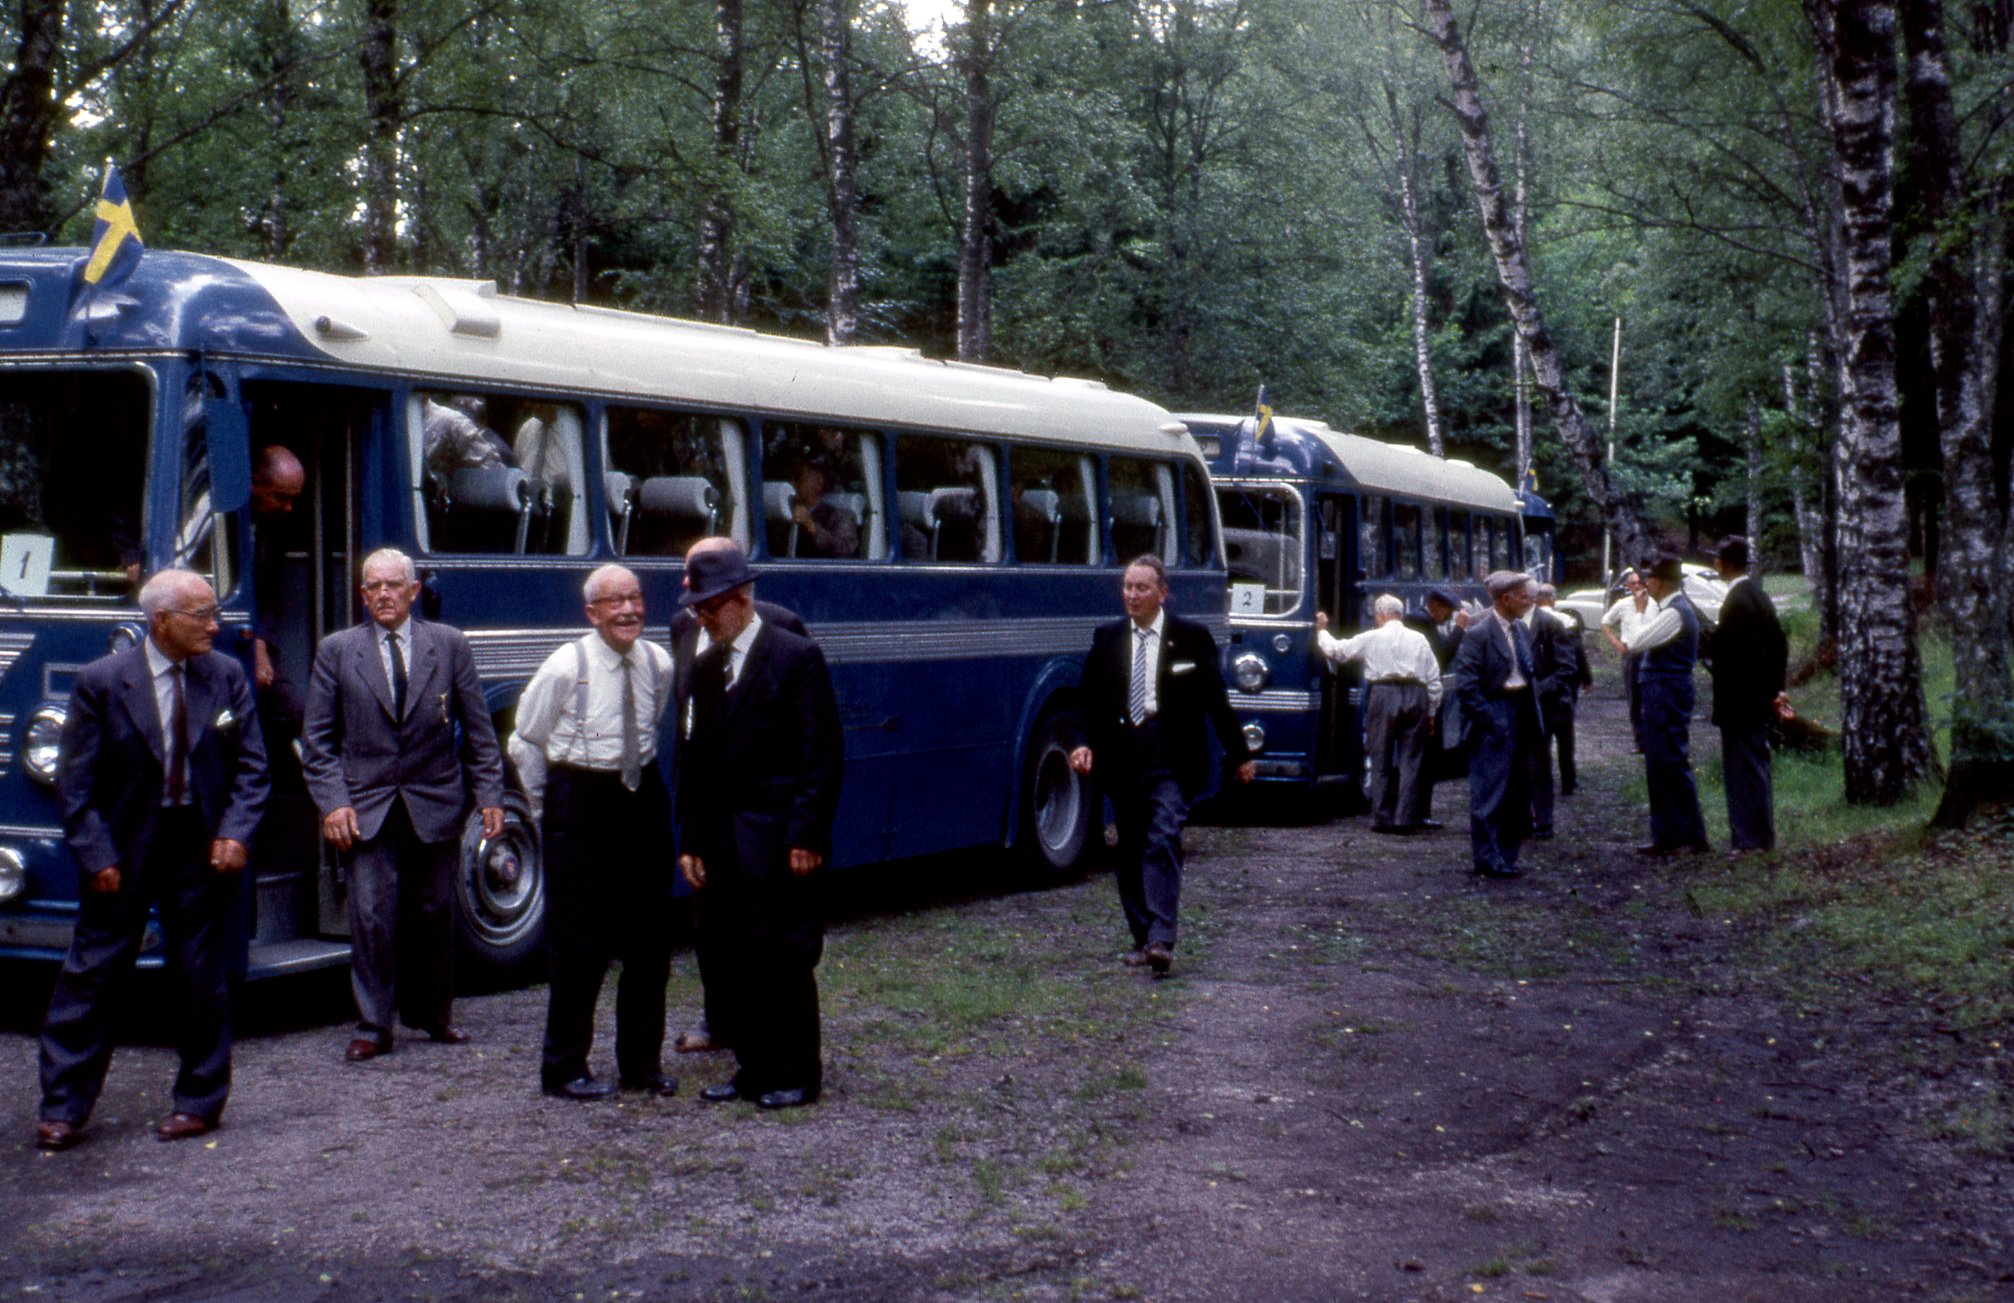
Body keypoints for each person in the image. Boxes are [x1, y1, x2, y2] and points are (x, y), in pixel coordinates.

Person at [34, 570, 269, 1150]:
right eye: (202, 615)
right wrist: (96, 854)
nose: (216, 625)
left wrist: (235, 832)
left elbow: (253, 769)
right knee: (92, 975)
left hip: (199, 845)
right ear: (161, 622)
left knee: (199, 975)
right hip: (124, 845)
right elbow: (75, 784)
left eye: (215, 612)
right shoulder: (102, 682)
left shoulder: (226, 676)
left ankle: (199, 1101)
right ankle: (63, 1107)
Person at [301, 548, 506, 1062]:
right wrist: (332, 804)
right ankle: (373, 1024)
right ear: (363, 594)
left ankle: (433, 1015)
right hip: (365, 804)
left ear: (414, 592)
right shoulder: (338, 650)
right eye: (373, 587)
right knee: (371, 915)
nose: (383, 595)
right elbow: (318, 742)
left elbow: (480, 731)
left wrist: (490, 796)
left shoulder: (450, 644)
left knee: (436, 911)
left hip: (435, 797)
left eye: (393, 585)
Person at [675, 545, 844, 1109]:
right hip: (723, 842)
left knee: (785, 956)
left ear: (741, 600)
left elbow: (819, 755)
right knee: (733, 956)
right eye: (696, 608)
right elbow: (695, 763)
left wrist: (807, 834)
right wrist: (692, 840)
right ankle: (752, 1069)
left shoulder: (796, 657)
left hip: (779, 839)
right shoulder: (703, 667)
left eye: (708, 608)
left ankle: (796, 1072)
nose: (699, 618)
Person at [509, 564, 679, 1100]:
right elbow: (525, 741)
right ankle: (564, 1068)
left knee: (650, 941)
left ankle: (641, 1065)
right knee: (578, 943)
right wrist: (547, 810)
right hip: (579, 798)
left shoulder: (659, 662)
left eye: (635, 598)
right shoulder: (566, 665)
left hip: (641, 796)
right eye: (614, 602)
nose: (629, 610)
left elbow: (650, 728)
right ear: (592, 613)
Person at [1068, 556, 1256, 974]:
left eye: (1142, 588)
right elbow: (1087, 700)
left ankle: (1161, 938)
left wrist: (1240, 754)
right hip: (1123, 757)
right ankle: (1142, 936)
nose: (1132, 596)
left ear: (1162, 593)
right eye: (1128, 588)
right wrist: (1082, 743)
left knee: (1163, 835)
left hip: (1172, 756)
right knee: (1131, 846)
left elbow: (1215, 700)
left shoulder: (1190, 638)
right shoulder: (1108, 638)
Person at [664, 535, 809, 1058]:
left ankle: (769, 1040)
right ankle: (718, 1016)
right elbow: (686, 722)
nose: (690, 590)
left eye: (703, 582)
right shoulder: (685, 624)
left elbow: (805, 736)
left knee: (765, 928)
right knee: (710, 922)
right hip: (707, 795)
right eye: (687, 574)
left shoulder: (783, 628)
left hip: (759, 806)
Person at [1316, 595, 1442, 834]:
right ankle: (1406, 818)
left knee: (1380, 757)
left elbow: (1338, 651)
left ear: (1382, 614)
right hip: (1416, 694)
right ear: (1400, 614)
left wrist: (1322, 631)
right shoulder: (1420, 639)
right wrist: (1432, 711)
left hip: (1383, 694)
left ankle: (1381, 817)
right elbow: (1433, 678)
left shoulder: (1372, 637)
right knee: (1410, 761)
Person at [1451, 571, 1547, 879]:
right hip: (1495, 712)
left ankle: (1507, 856)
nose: (1528, 600)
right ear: (1505, 598)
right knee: (1490, 791)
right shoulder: (1478, 634)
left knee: (1518, 793)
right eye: (1522, 596)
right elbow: (1467, 686)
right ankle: (1487, 858)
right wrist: (1491, 721)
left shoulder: (1519, 628)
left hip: (1521, 712)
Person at [1703, 536, 1789, 854]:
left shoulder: (1736, 601)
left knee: (1742, 770)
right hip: (1759, 698)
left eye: (1717, 560)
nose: (1715, 564)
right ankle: (1761, 836)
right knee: (1757, 766)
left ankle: (1748, 839)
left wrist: (1712, 644)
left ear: (1724, 564)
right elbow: (1779, 644)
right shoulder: (1760, 596)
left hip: (1740, 702)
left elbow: (1734, 656)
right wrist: (1776, 688)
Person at [1625, 554, 1711, 856]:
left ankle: (1690, 835)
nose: (1646, 583)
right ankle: (1667, 834)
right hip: (1662, 689)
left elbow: (1635, 642)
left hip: (1667, 690)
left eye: (1650, 578)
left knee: (1671, 760)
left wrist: (1637, 611)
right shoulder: (1668, 610)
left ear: (1661, 582)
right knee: (1659, 762)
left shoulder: (1675, 613)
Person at [250, 445, 308, 790]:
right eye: (281, 497)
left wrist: (261, 643)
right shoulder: (206, 507)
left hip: (257, 635)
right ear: (255, 483)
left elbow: (268, 595)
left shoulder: (273, 526)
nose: (289, 508)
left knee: (291, 711)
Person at [1405, 587, 1469, 829]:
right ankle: (1419, 813)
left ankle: (1416, 812)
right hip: (1423, 698)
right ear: (1436, 606)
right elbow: (1441, 656)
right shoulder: (1422, 621)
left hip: (1416, 695)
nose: (1447, 619)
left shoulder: (1416, 618)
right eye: (1447, 614)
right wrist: (1459, 629)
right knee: (1426, 757)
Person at [1534, 584, 1593, 799]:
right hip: (1562, 689)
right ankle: (1569, 781)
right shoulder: (1566, 621)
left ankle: (1543, 783)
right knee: (1565, 738)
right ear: (1552, 599)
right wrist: (1586, 677)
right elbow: (1577, 653)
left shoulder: (1529, 622)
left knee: (1542, 740)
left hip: (1538, 688)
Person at [1601, 568, 1650, 753]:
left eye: (1639, 582)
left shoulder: (1654, 603)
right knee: (1634, 698)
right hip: (1630, 653)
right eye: (1633, 583)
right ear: (1628, 586)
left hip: (1650, 652)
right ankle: (1640, 742)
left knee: (1651, 696)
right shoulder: (1622, 604)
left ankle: (1653, 740)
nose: (1636, 586)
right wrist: (1615, 642)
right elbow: (1605, 622)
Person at [789, 461, 860, 559]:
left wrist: (811, 525)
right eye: (791, 479)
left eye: (798, 477)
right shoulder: (786, 513)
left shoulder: (839, 515)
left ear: (819, 482)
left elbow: (846, 550)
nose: (793, 484)